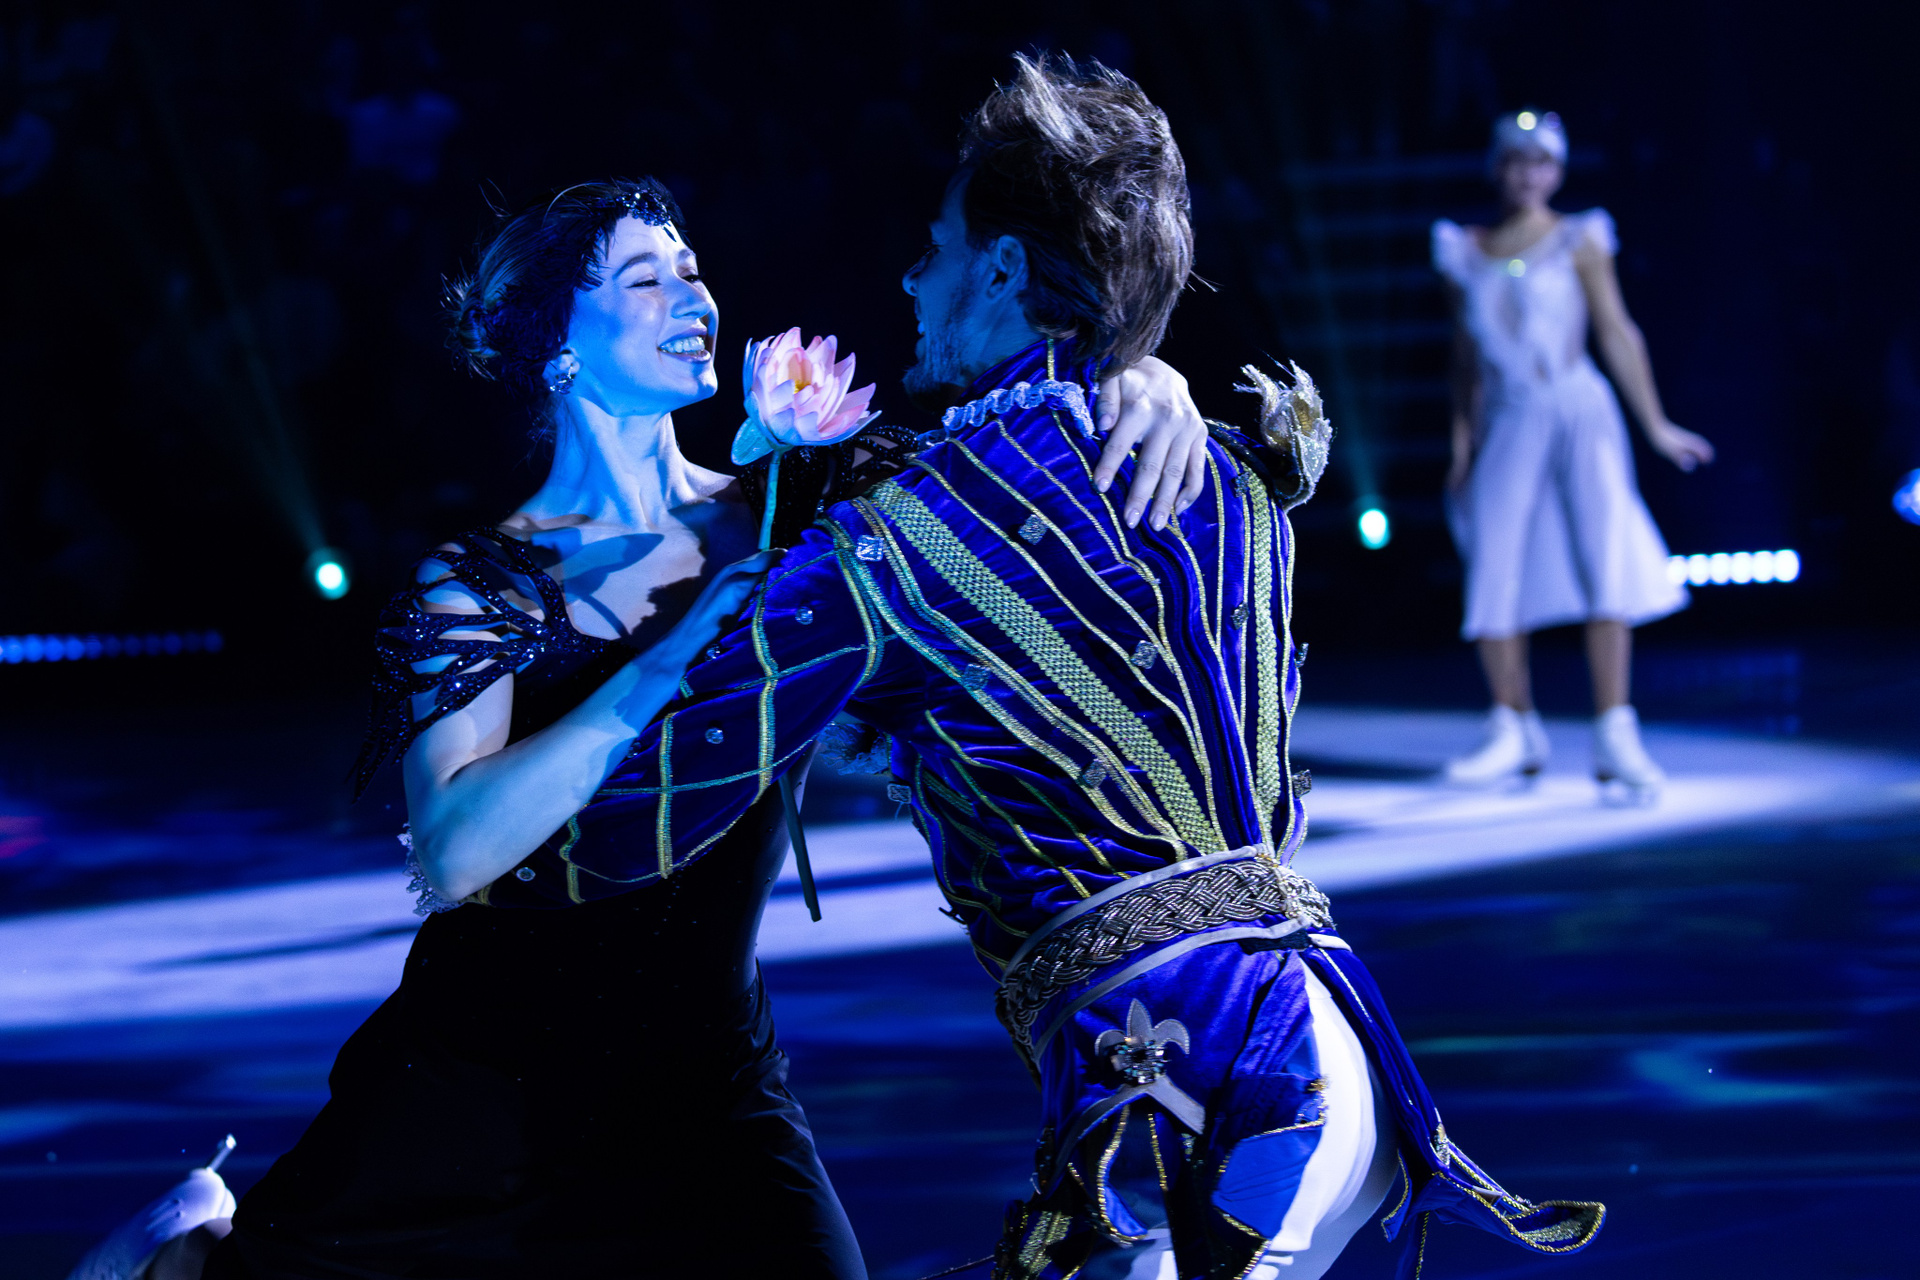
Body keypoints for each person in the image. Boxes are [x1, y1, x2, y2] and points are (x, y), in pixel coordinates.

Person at [469, 57, 1605, 1280]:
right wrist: (1138, 366)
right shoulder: (1234, 476)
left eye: (935, 249)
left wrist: (487, 854)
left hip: (1207, 1111)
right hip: (1329, 1066)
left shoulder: (901, 543)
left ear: (1004, 269)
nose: (911, 278)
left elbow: (641, 817)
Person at [74, 178, 1212, 1280]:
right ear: (558, 348)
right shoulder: (482, 584)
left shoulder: (800, 513)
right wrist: (669, 659)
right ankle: (185, 1250)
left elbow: (1005, 479)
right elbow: (454, 851)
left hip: (710, 1081)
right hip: (484, 1089)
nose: (694, 296)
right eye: (644, 279)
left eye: (694, 270)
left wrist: (1140, 375)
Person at [1435, 110, 1714, 804]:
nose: (1527, 175)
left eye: (1541, 162)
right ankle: (1513, 725)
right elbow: (1465, 361)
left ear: (1557, 171)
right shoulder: (1463, 249)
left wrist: (1656, 425)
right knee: (1492, 558)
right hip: (1510, 415)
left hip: (1580, 410)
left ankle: (1616, 731)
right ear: (1498, 168)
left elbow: (1616, 331)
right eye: (1515, 161)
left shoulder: (1580, 237)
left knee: (1602, 555)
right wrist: (1462, 446)